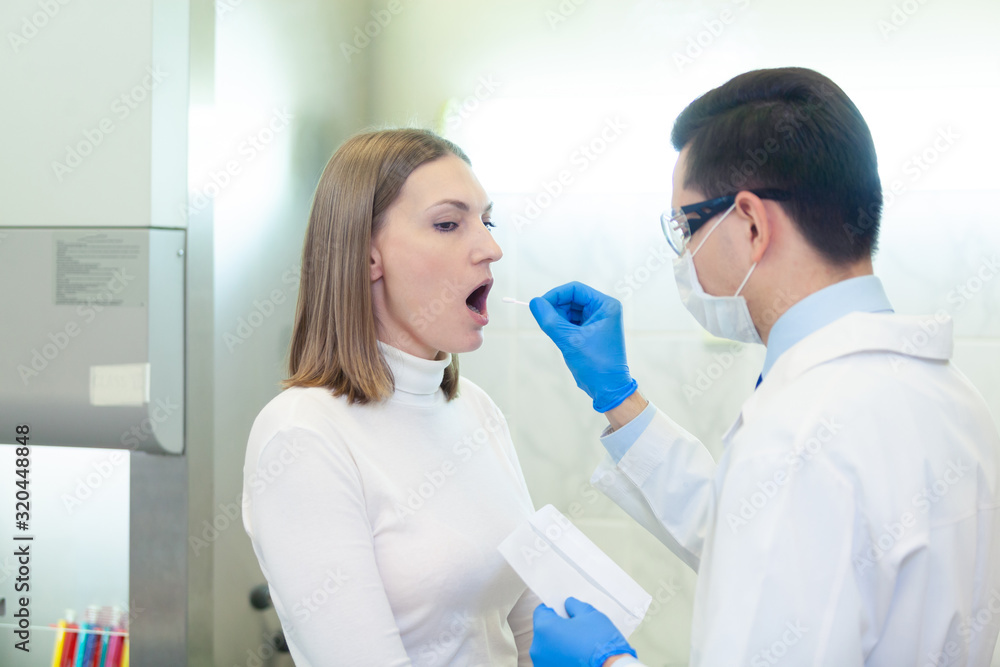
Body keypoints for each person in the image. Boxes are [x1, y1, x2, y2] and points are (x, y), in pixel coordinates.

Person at [526, 67, 1000, 666]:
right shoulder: (949, 395)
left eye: (686, 226)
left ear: (750, 223)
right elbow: (775, 544)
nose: (685, 254)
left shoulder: (798, 435)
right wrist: (618, 396)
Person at [241, 129, 538, 666]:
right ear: (367, 255)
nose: (491, 247)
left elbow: (526, 627)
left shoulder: (475, 408)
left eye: (486, 221)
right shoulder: (301, 434)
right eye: (449, 224)